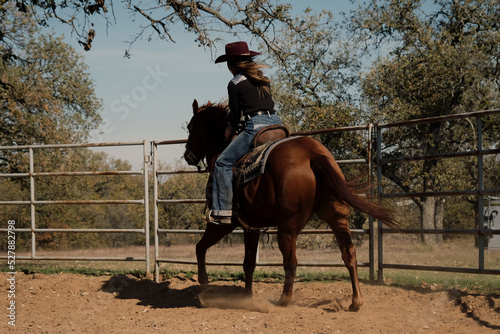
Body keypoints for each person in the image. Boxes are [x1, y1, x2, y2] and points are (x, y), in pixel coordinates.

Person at [209, 41, 283, 224]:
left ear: (232, 64)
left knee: (222, 163)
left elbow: (235, 116)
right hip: (277, 125)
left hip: (256, 127)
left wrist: (231, 129)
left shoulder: (234, 83)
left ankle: (224, 210)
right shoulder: (262, 76)